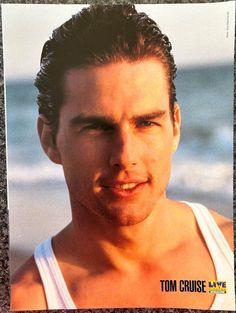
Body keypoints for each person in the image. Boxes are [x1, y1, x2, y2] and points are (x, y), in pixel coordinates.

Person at [11, 4, 234, 311]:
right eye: (97, 127)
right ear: (50, 139)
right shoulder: (28, 301)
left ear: (175, 126)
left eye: (146, 123)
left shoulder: (229, 252)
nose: (124, 156)